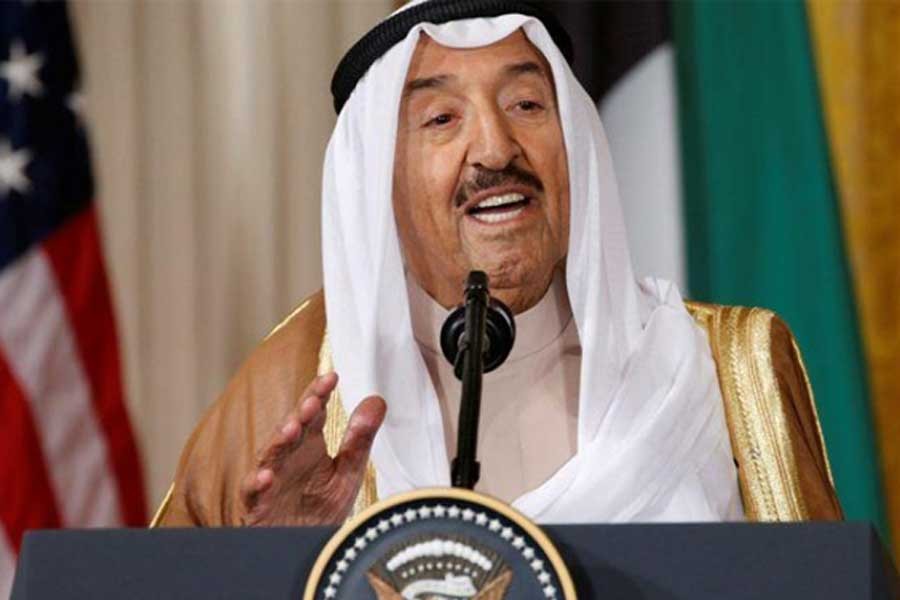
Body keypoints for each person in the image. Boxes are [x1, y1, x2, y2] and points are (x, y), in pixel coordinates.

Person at [152, 0, 842, 528]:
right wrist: (284, 569)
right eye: (441, 119)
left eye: (526, 104)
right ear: (377, 182)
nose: (495, 148)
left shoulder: (725, 368)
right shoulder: (294, 386)